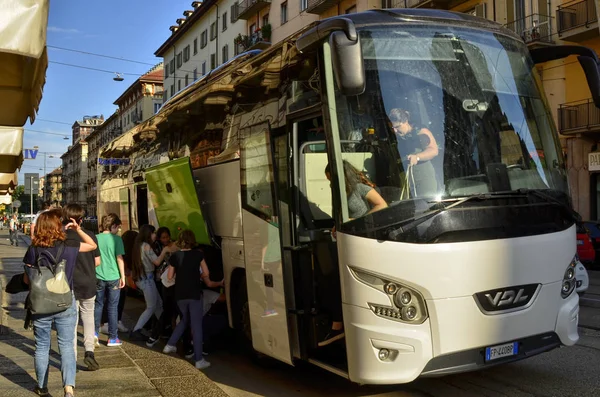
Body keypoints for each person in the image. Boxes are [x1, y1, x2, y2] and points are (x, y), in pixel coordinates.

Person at [22, 209, 98, 397]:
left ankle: (42, 387)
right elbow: (92, 245)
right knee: (66, 345)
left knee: (41, 346)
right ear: (58, 226)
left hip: (40, 304)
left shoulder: (33, 249)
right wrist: (79, 229)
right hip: (65, 301)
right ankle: (69, 388)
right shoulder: (70, 246)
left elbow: (26, 280)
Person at [320, 161, 387, 347]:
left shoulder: (360, 188)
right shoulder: (341, 192)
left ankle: (337, 326)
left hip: (364, 242)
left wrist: (354, 221)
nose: (330, 183)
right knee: (334, 280)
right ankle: (338, 324)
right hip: (347, 240)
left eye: (331, 179)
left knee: (337, 281)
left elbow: (382, 205)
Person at [162, 229, 224, 370]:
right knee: (196, 326)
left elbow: (170, 277)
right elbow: (206, 273)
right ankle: (198, 359)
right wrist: (197, 276)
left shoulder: (175, 256)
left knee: (185, 320)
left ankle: (170, 345)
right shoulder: (198, 255)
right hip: (194, 294)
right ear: (192, 240)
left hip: (180, 295)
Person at [63, 204, 101, 372]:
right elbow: (97, 262)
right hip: (88, 282)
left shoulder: (61, 237)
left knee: (71, 321)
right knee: (88, 318)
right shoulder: (90, 236)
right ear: (80, 219)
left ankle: (72, 357)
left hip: (68, 284)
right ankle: (89, 351)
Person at [129, 224, 174, 346]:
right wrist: (165, 250)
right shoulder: (147, 246)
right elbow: (157, 262)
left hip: (145, 279)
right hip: (147, 280)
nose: (155, 235)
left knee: (159, 305)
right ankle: (136, 330)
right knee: (151, 307)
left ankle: (164, 328)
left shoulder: (139, 245)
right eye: (154, 233)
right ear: (149, 234)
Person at [388, 108, 439, 198]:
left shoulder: (421, 131)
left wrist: (417, 157)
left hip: (423, 180)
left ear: (405, 121)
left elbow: (433, 150)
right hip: (405, 180)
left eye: (398, 127)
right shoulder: (397, 137)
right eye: (393, 128)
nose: (395, 131)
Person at [94, 214, 126, 347]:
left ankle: (94, 334)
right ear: (113, 226)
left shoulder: (95, 238)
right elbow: (119, 258)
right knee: (113, 308)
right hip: (113, 276)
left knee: (98, 305)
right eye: (118, 227)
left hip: (98, 275)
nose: (118, 230)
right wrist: (123, 277)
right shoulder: (117, 239)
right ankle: (113, 338)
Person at [99, 230, 137, 334]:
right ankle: (113, 328)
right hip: (115, 275)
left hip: (103, 275)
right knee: (114, 303)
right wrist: (123, 277)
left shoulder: (103, 239)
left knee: (103, 302)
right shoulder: (120, 244)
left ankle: (103, 325)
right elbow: (120, 260)